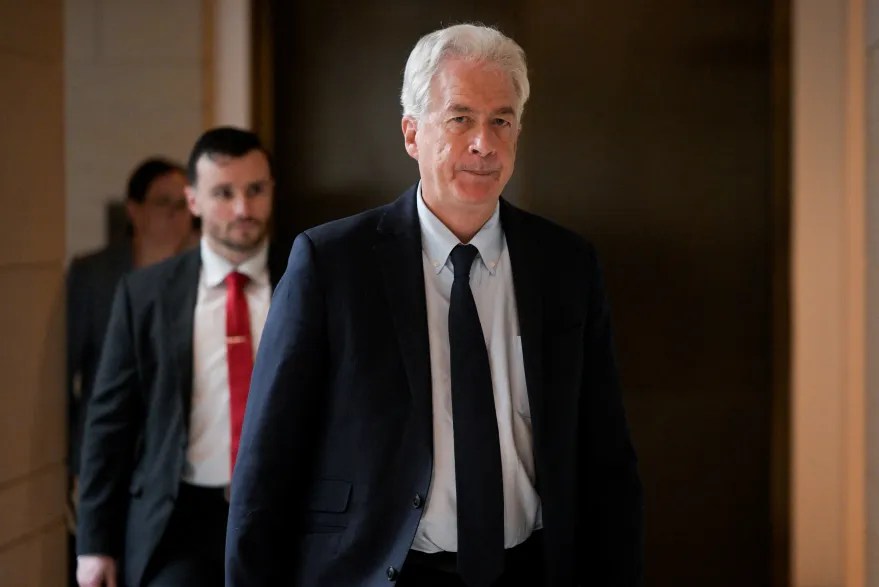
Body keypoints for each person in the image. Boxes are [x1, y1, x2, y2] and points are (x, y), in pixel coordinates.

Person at [227, 24, 643, 587]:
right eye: (460, 118)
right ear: (411, 133)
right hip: (381, 573)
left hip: (531, 569)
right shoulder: (331, 264)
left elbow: (606, 455)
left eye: (501, 121)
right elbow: (268, 465)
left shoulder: (566, 265)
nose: (484, 144)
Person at [75, 127, 288, 587]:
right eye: (224, 193)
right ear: (193, 200)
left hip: (285, 514)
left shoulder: (308, 278)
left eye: (255, 190)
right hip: (180, 520)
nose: (243, 209)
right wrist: (94, 543)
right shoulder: (145, 294)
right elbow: (109, 423)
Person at [66, 157, 193, 584]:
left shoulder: (204, 273)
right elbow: (67, 373)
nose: (176, 215)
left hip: (168, 461)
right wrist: (73, 461)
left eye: (183, 204)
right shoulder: (95, 274)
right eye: (163, 203)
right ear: (134, 210)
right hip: (105, 451)